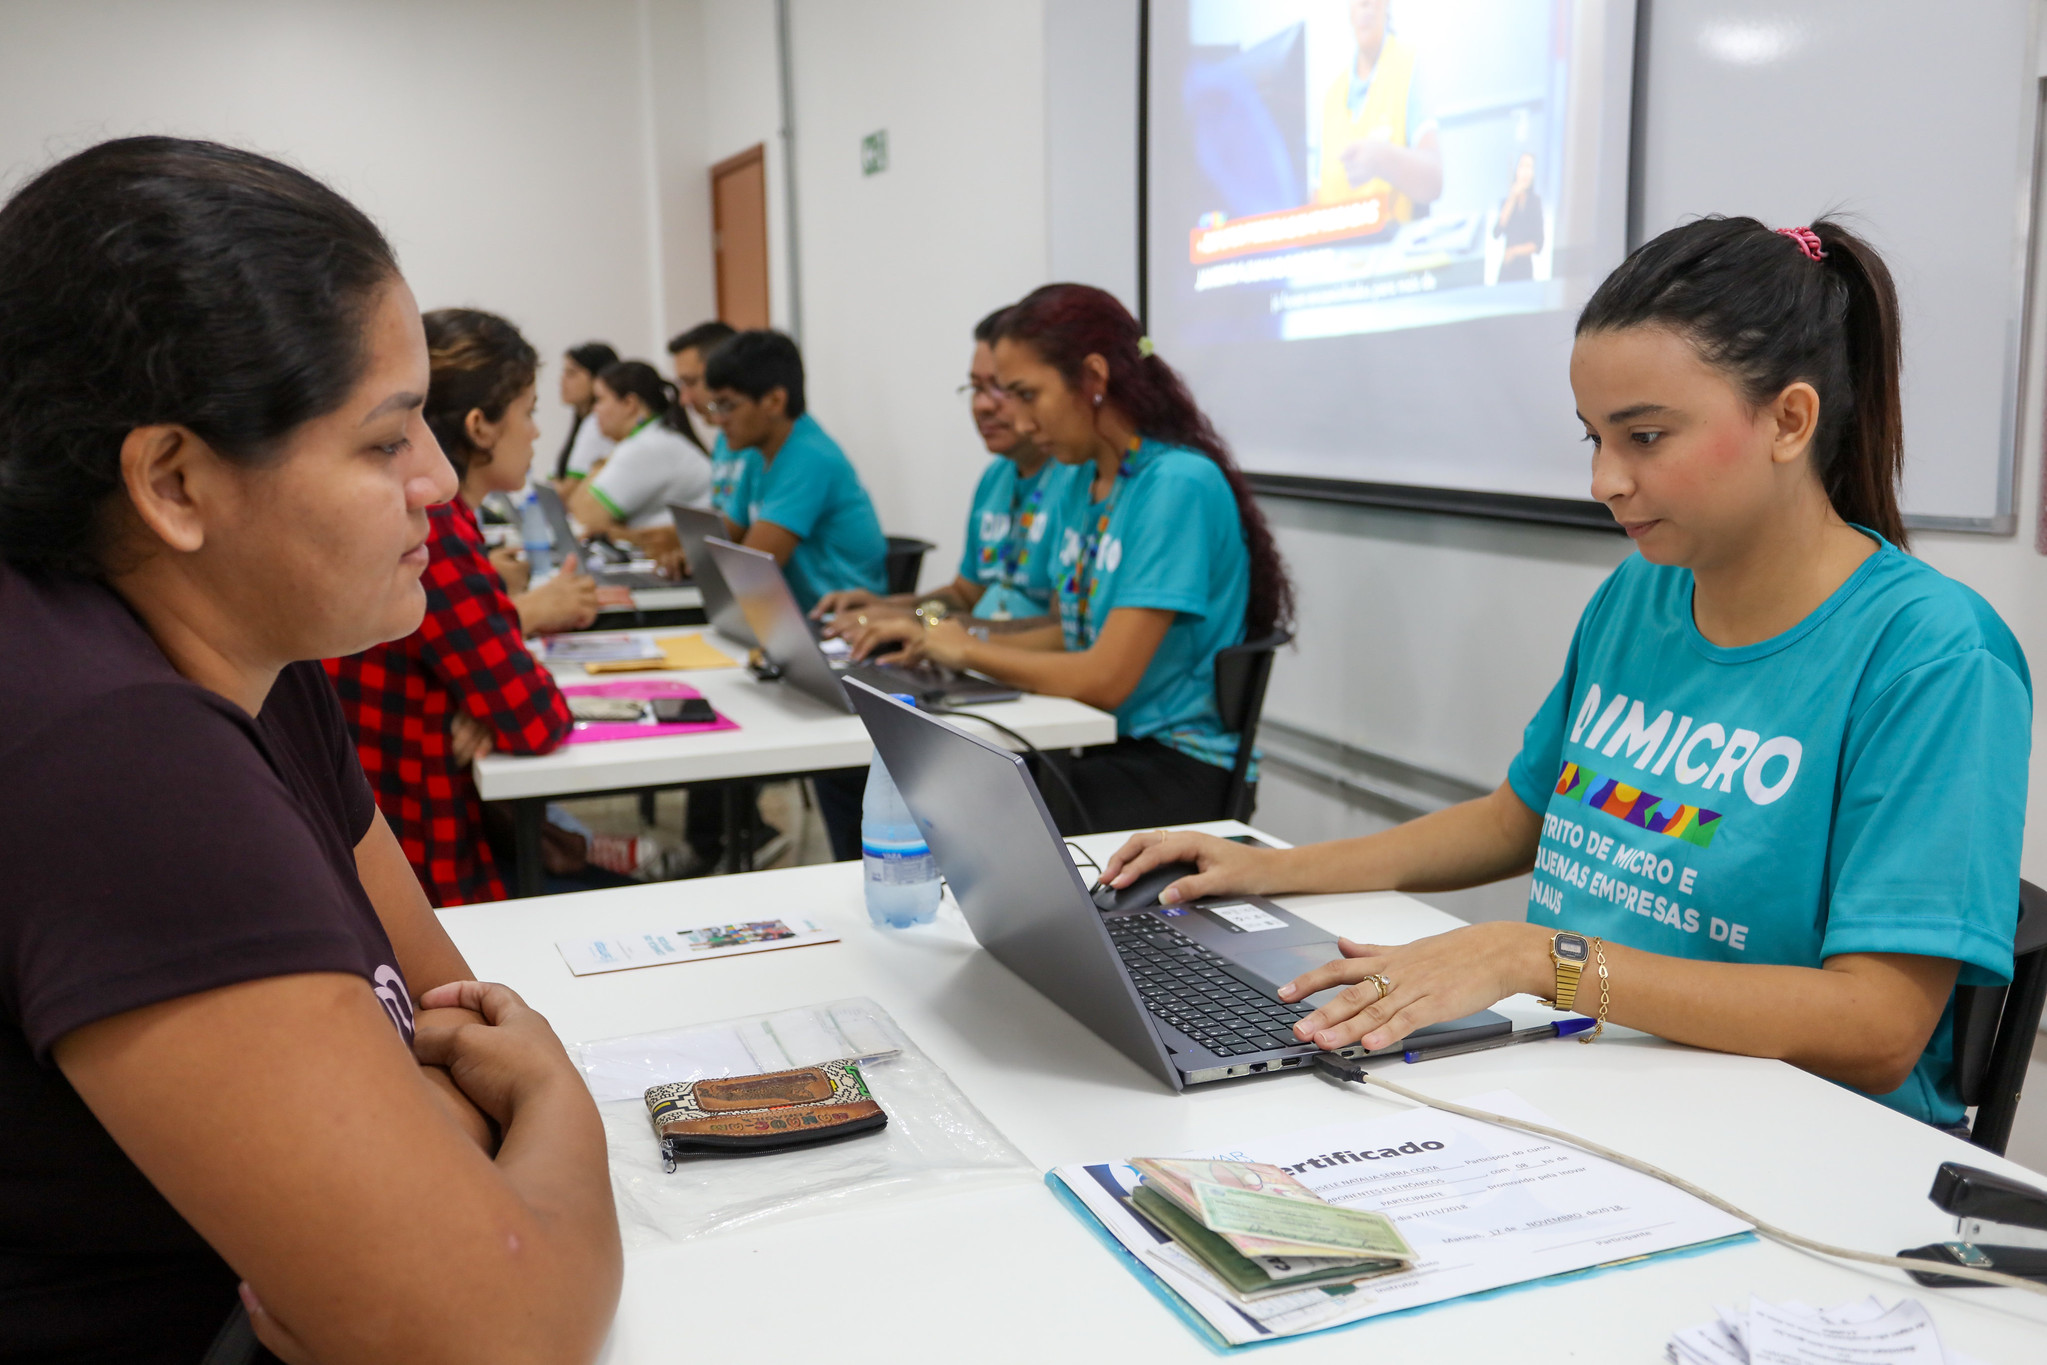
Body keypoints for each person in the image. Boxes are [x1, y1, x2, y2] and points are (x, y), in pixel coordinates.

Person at [1102, 217, 2030, 1131]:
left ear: (1788, 420)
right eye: (1594, 438)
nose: (1605, 481)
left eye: (1647, 437)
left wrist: (1537, 958)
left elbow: (1877, 1028)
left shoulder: (1933, 654)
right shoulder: (1641, 594)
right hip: (1590, 1086)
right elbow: (1519, 816)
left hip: (1793, 1139)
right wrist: (1269, 867)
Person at [0, 136, 618, 1363]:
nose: (441, 479)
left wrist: (467, 1131)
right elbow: (499, 1334)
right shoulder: (113, 749)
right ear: (174, 480)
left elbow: (445, 1020)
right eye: (386, 440)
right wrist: (560, 1104)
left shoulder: (255, 656)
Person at [847, 284, 1296, 833]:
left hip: (1176, 762)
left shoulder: (1176, 485)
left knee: (950, 812)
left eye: (1026, 394)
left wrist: (968, 647)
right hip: (1093, 736)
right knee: (923, 777)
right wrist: (942, 635)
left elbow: (1105, 678)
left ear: (1093, 379)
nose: (1021, 420)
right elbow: (1071, 631)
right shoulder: (1079, 479)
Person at [327, 307, 582, 907]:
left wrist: (473, 698)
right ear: (481, 425)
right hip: (429, 877)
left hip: (393, 848)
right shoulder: (434, 532)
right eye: (530, 412)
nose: (537, 432)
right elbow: (538, 718)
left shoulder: (436, 526)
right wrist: (491, 700)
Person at [814, 305, 1067, 629]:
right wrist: (892, 608)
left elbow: (1065, 633)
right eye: (976, 388)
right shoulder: (995, 478)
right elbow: (964, 595)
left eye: (1001, 388)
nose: (982, 406)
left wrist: (932, 629)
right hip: (981, 660)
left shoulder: (1076, 478)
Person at [708, 329, 887, 611]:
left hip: (835, 622)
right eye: (715, 405)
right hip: (789, 616)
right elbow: (724, 534)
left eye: (728, 405)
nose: (718, 419)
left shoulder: (809, 457)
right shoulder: (757, 454)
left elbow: (751, 573)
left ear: (775, 402)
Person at [1316, 0, 1442, 226]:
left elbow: (1434, 182)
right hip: (1337, 253)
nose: (1364, 4)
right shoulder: (1331, 97)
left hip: (1392, 252)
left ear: (1387, 5)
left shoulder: (1407, 65)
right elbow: (1316, 199)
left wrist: (1383, 159)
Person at [566, 358, 713, 535]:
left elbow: (585, 518)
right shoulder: (654, 435)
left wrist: (600, 465)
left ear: (630, 404)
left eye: (599, 400)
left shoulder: (647, 446)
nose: (595, 410)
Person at [668, 319, 756, 525]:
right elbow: (722, 525)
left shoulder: (765, 443)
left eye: (691, 382)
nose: (684, 399)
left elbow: (738, 537)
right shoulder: (724, 440)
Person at [551, 339, 618, 484]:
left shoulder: (597, 423)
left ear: (599, 379)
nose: (561, 381)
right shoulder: (584, 421)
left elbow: (567, 490)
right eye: (564, 373)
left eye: (572, 373)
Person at [1493, 151, 1545, 283]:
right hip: (1506, 269)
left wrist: (1514, 251)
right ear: (1516, 170)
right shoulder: (1507, 201)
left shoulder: (1535, 202)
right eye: (1523, 166)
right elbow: (1497, 232)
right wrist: (1512, 197)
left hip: (1525, 270)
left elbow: (1539, 243)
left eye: (1530, 167)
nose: (1526, 172)